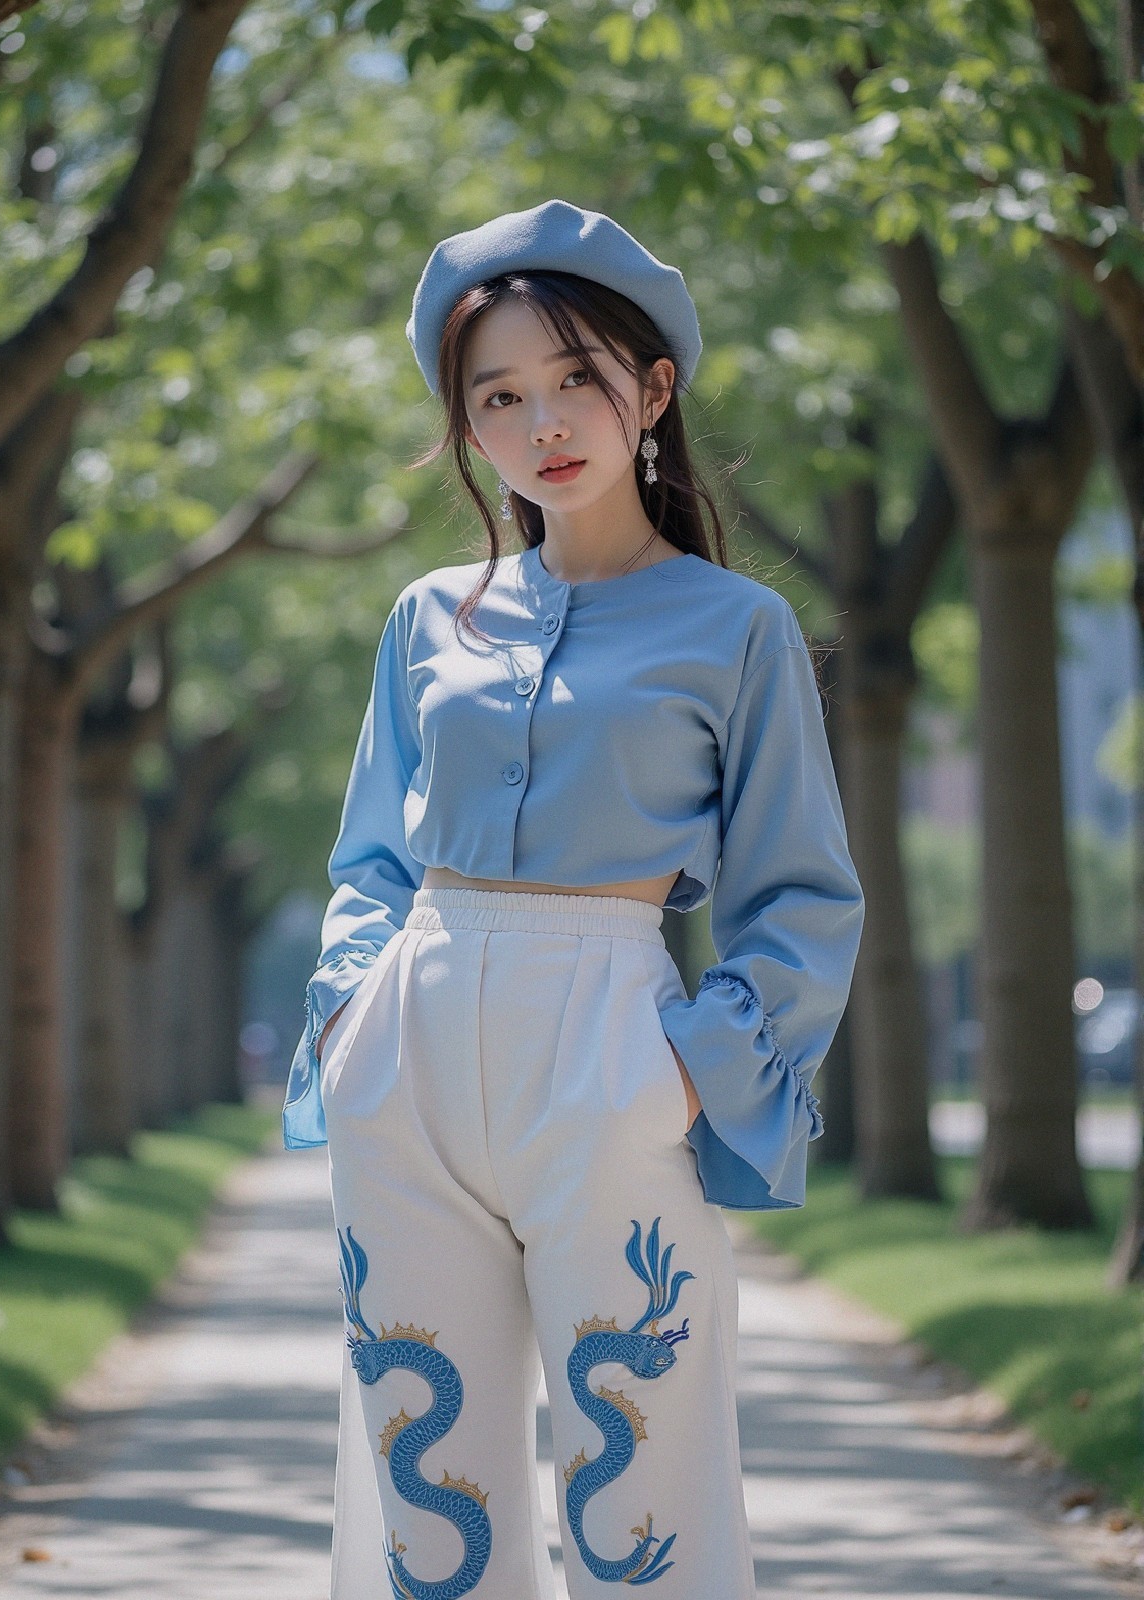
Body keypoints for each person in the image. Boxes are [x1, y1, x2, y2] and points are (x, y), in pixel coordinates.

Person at [282, 198, 865, 1600]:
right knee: (434, 1503)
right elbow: (370, 856)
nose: (544, 422)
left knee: (647, 1485)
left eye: (577, 380)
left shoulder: (739, 629)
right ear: (465, 427)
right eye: (501, 396)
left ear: (652, 392)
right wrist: (355, 1014)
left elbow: (800, 893)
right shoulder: (426, 621)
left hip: (612, 1051)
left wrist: (687, 1071)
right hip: (411, 1052)